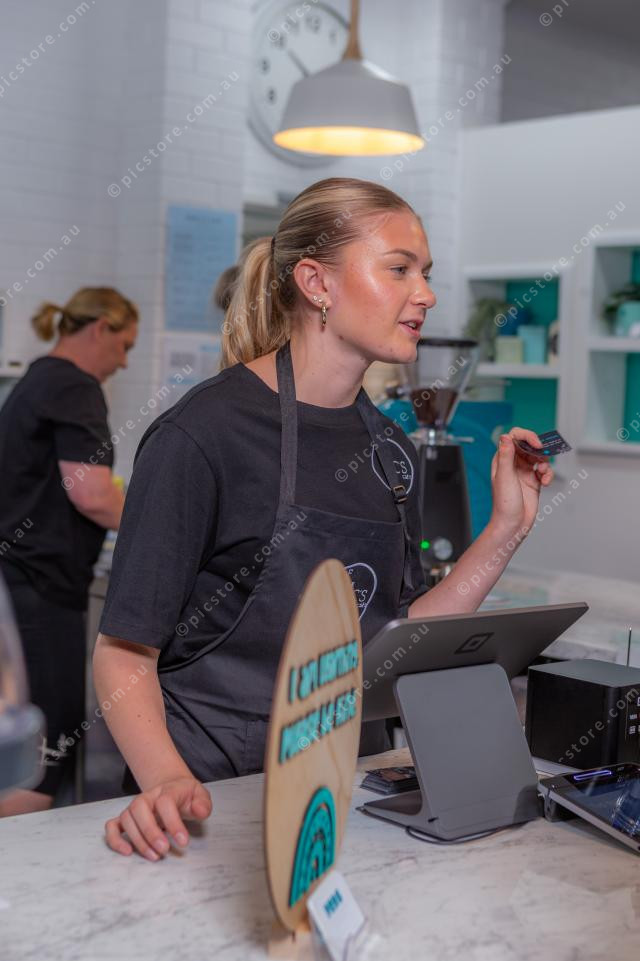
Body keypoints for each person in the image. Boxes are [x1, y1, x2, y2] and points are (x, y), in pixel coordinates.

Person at [94, 177, 553, 862]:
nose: (425, 294)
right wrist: (166, 781)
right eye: (399, 269)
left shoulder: (390, 452)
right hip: (208, 806)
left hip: (343, 802)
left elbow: (401, 637)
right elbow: (124, 651)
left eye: (426, 274)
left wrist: (506, 529)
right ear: (316, 283)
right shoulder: (203, 435)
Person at [0, 287, 139, 815]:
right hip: (42, 592)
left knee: (26, 744)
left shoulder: (38, 378)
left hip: (18, 588)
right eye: (124, 345)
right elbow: (92, 493)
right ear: (100, 328)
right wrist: (153, 529)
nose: (124, 362)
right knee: (46, 754)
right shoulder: (75, 386)